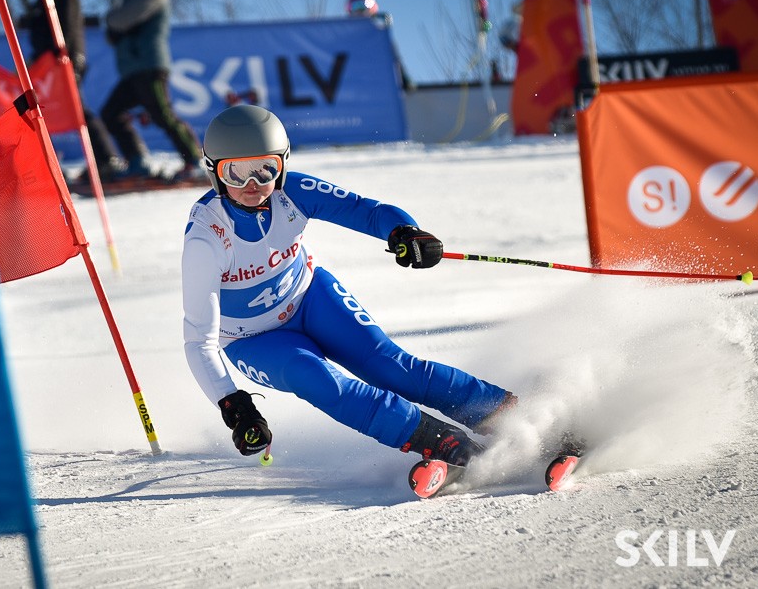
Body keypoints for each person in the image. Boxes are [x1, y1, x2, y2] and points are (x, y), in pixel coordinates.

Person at [182, 104, 517, 466]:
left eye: (266, 169)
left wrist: (404, 232)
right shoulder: (206, 239)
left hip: (310, 298)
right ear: (214, 172)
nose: (252, 185)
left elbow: (366, 211)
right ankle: (440, 442)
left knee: (390, 366)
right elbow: (199, 340)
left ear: (283, 164)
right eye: (236, 173)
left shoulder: (292, 192)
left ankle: (506, 414)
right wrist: (235, 406)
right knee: (315, 378)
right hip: (253, 338)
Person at [21, 0, 125, 181]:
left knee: (76, 109)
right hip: (49, 63)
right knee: (50, 111)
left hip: (63, 60)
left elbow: (67, 25)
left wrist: (64, 55)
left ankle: (107, 158)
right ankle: (54, 163)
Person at [102, 0, 203, 182]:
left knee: (163, 115)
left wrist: (113, 21)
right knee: (111, 113)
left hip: (149, 66)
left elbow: (122, 20)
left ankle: (195, 161)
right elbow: (118, 27)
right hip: (133, 70)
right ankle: (137, 160)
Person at [346, 0, 415, 93]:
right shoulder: (345, 36)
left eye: (366, 4)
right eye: (355, 5)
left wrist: (404, 79)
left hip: (377, 82)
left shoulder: (380, 35)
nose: (360, 10)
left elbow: (394, 58)